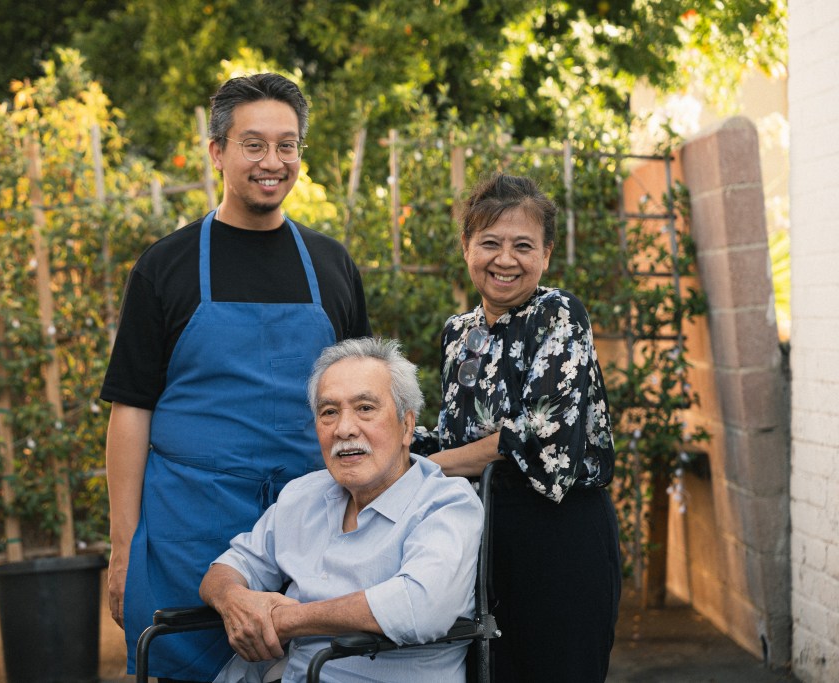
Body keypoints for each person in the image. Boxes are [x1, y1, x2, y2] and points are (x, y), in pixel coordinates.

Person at [100, 73, 372, 682]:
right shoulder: (164, 267)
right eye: (253, 145)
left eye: (288, 145)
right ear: (218, 152)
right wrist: (123, 549)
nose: (272, 162)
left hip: (312, 527)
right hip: (187, 532)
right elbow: (130, 411)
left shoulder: (332, 265)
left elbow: (365, 400)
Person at [412, 173, 622, 682]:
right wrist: (387, 449)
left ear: (546, 254)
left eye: (522, 246)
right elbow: (452, 434)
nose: (505, 259)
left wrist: (422, 469)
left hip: (558, 536)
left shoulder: (559, 314)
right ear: (467, 247)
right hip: (479, 535)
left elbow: (535, 436)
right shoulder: (457, 333)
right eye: (489, 243)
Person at [199, 337, 484, 683]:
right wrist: (234, 602)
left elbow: (420, 605)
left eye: (365, 408)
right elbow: (229, 567)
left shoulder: (445, 503)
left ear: (407, 426)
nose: (344, 429)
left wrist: (288, 619)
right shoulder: (303, 495)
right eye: (329, 412)